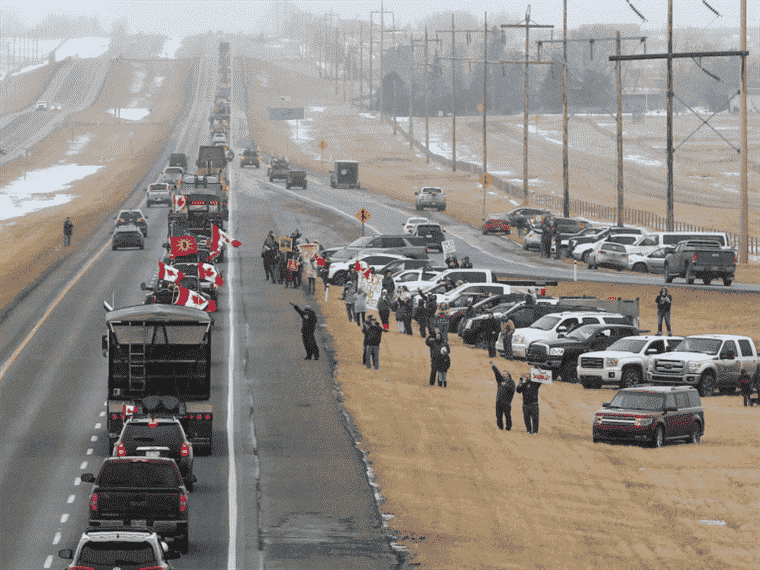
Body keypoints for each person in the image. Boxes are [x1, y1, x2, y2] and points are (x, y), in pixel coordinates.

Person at [491, 361, 515, 430]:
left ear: (508, 375)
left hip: (506, 403)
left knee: (507, 416)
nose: (503, 375)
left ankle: (508, 428)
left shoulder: (511, 382)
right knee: (498, 415)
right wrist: (493, 366)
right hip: (498, 401)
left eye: (505, 374)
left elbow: (511, 389)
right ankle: (500, 427)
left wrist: (505, 385)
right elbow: (497, 373)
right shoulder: (500, 380)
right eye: (503, 374)